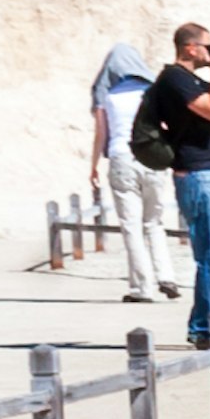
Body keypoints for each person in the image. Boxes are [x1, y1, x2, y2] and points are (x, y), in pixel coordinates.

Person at [129, 22, 210, 347]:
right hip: (197, 175)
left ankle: (201, 327)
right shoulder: (175, 79)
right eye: (208, 46)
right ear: (191, 48)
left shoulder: (188, 80)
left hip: (204, 175)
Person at [86, 33, 181, 307]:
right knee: (154, 222)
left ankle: (142, 287)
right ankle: (167, 276)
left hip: (122, 158)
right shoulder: (152, 90)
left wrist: (93, 166)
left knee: (131, 226)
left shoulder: (108, 96)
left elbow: (100, 134)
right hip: (152, 160)